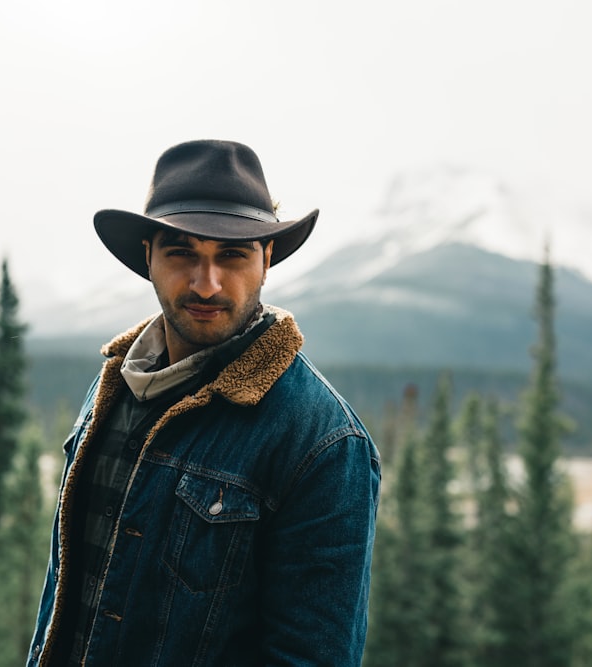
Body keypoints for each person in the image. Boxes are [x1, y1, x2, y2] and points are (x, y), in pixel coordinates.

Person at [27, 140, 380, 667]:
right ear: (148, 255)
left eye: (232, 255)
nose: (206, 283)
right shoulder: (115, 387)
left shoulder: (321, 442)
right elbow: (70, 599)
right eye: (182, 252)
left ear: (268, 259)